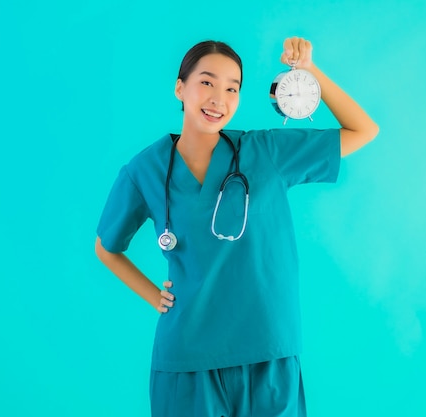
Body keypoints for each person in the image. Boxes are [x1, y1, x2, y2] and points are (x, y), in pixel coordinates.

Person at [95, 37, 379, 417]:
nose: (219, 98)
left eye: (232, 88)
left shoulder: (265, 152)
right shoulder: (143, 171)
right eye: (207, 82)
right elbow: (107, 246)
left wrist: (309, 73)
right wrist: (153, 296)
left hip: (268, 350)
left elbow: (363, 130)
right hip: (187, 358)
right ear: (180, 87)